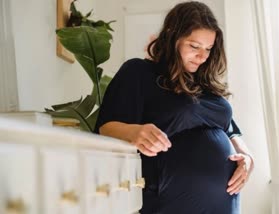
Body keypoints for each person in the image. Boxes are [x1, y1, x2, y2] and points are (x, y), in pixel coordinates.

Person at [94, 1, 254, 213]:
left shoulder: (206, 84)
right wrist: (136, 132)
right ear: (172, 37)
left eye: (208, 48)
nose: (203, 56)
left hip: (224, 202)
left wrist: (248, 158)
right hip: (168, 201)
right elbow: (105, 127)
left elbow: (230, 128)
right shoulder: (139, 73)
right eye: (194, 46)